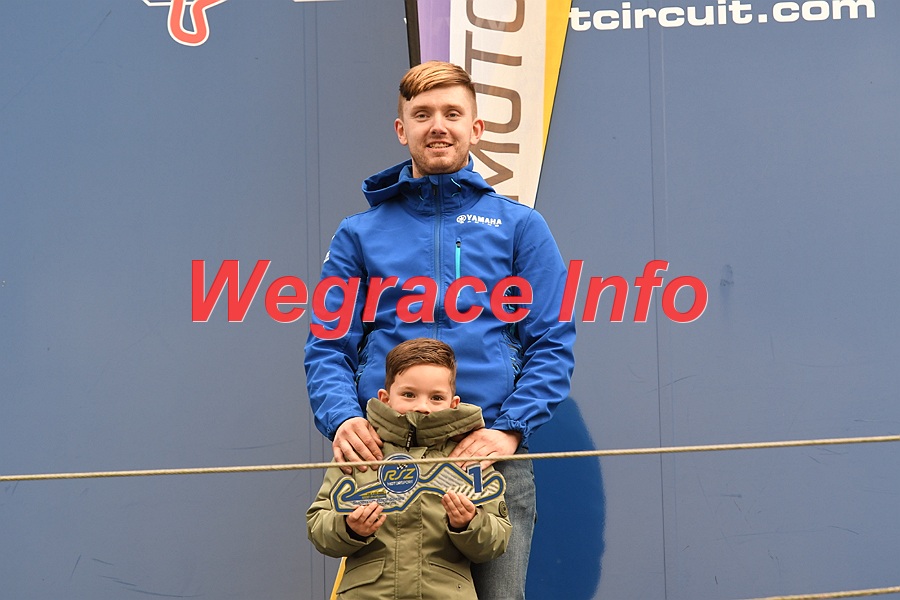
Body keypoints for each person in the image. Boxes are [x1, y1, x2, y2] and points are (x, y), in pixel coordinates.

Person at [304, 61, 575, 599]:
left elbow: (552, 343)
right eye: (422, 114)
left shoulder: (521, 226)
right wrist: (342, 419)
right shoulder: (359, 233)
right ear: (401, 129)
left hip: (488, 457)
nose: (438, 126)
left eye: (453, 113)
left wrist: (508, 430)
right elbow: (328, 345)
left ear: (477, 128)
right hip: (384, 460)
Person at [306, 338, 512, 599]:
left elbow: (495, 543)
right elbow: (318, 527)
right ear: (385, 398)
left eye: (436, 397)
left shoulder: (469, 458)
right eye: (409, 394)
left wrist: (468, 523)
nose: (422, 406)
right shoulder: (360, 451)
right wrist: (349, 528)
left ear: (453, 403)